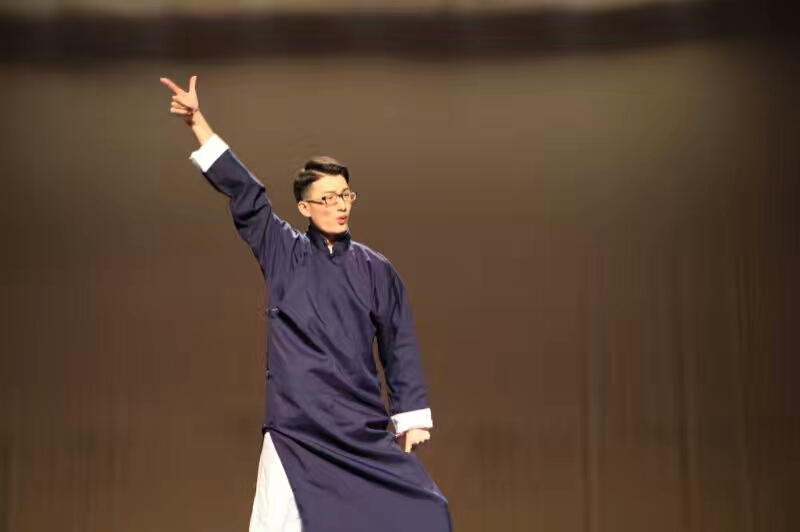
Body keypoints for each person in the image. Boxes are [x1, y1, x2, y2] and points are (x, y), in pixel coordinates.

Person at [160, 75, 451, 532]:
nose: (341, 205)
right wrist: (198, 122)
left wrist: (410, 418)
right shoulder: (283, 252)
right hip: (297, 427)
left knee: (426, 512)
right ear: (304, 207)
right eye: (328, 198)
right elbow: (246, 195)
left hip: (359, 430)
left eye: (346, 195)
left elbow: (400, 344)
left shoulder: (375, 270)